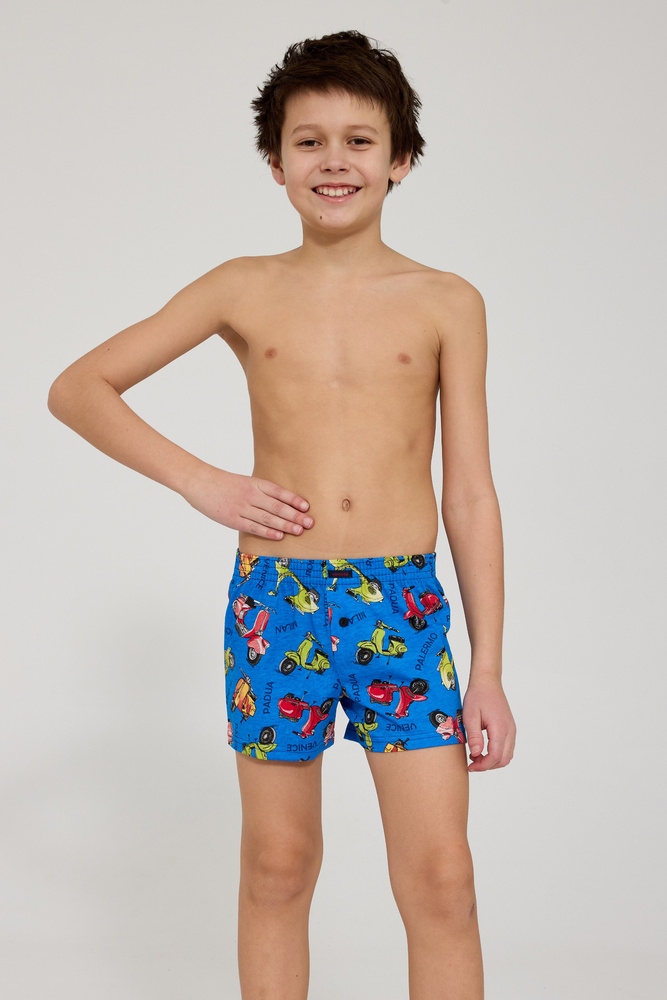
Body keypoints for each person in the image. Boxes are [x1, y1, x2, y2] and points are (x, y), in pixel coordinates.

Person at [48, 29, 516, 1000]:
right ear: (275, 163)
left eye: (358, 140)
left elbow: (469, 491)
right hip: (277, 601)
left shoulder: (447, 301)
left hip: (402, 607)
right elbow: (79, 387)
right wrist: (201, 481)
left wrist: (488, 669)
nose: (333, 161)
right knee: (276, 865)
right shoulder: (241, 287)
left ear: (401, 159)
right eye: (309, 142)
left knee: (442, 879)